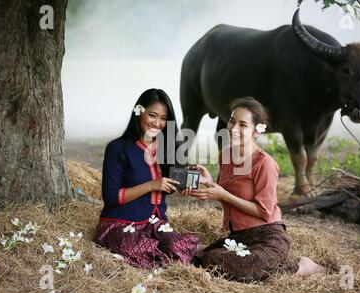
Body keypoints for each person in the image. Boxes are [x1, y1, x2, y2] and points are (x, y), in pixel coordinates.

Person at [182, 97, 325, 281]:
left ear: (256, 132)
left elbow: (264, 211)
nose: (233, 129)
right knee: (203, 258)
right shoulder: (226, 155)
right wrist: (209, 182)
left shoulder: (265, 164)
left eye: (243, 125)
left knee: (247, 270)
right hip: (239, 237)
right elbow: (227, 194)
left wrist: (223, 194)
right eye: (232, 121)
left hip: (267, 237)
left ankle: (304, 267)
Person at [94, 88, 199, 269]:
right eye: (152, 115)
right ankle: (163, 256)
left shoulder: (170, 148)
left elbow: (169, 187)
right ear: (139, 112)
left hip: (155, 223)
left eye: (164, 119)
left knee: (178, 246)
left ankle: (166, 254)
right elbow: (111, 197)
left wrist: (182, 185)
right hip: (121, 223)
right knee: (136, 250)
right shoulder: (118, 148)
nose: (157, 123)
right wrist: (151, 185)